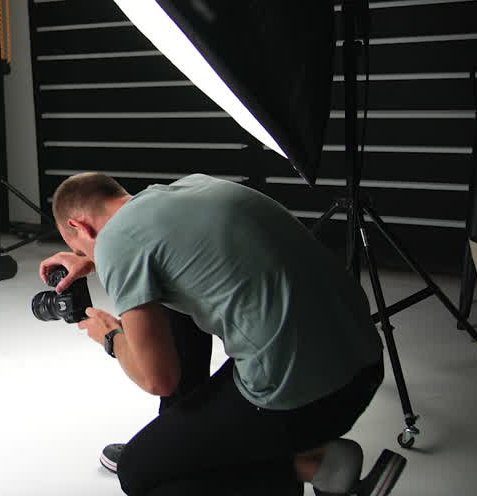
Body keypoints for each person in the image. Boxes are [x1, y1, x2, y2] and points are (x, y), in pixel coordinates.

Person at [41, 172, 406, 496]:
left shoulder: (116, 243)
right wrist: (93, 257)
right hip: (364, 367)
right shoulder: (193, 187)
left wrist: (110, 336)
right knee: (170, 307)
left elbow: (158, 379)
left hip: (303, 403)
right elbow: (152, 248)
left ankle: (316, 465)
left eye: (78, 247)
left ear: (80, 226)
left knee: (139, 473)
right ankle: (180, 441)